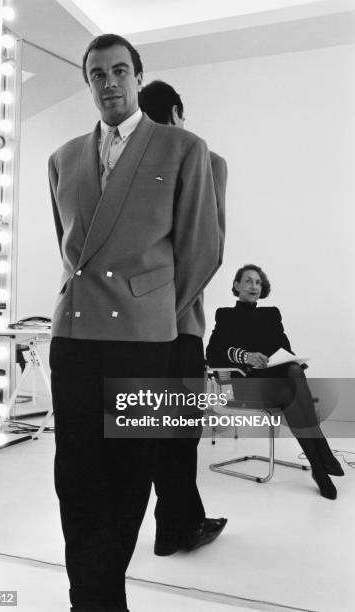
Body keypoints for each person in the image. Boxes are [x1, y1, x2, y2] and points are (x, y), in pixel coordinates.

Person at [48, 35, 221, 612]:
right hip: (73, 339)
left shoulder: (182, 148)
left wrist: (154, 313)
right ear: (88, 82)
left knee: (127, 478)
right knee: (75, 478)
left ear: (139, 77)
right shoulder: (64, 158)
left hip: (142, 341)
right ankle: (88, 598)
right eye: (97, 73)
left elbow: (201, 250)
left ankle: (102, 598)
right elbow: (70, 248)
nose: (109, 82)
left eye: (120, 70)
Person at [139, 80, 228, 556]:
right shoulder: (206, 161)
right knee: (176, 432)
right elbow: (207, 250)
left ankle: (176, 526)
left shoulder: (127, 166)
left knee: (155, 430)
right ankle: (175, 529)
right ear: (177, 110)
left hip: (137, 327)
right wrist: (166, 313)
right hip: (176, 325)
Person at [206, 264, 344, 500]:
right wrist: (245, 356)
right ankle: (322, 455)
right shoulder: (225, 315)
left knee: (292, 370)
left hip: (277, 384)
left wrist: (286, 360)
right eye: (248, 281)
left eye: (258, 283)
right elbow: (213, 353)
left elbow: (285, 350)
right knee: (293, 386)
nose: (254, 286)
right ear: (237, 285)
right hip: (243, 386)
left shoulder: (271, 315)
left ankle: (320, 470)